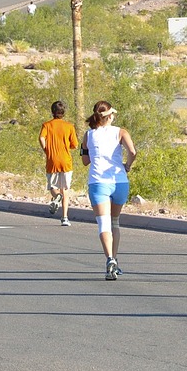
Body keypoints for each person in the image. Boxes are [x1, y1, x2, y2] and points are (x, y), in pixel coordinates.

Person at [82, 101, 136, 281]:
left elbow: (85, 161)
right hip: (119, 181)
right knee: (115, 222)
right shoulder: (121, 132)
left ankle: (110, 259)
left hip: (98, 182)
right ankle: (115, 260)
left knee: (103, 223)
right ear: (110, 116)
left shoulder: (88, 135)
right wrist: (127, 165)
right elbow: (132, 152)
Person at [39, 100, 78, 226]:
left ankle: (56, 197)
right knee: (65, 189)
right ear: (63, 112)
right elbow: (75, 145)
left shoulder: (47, 125)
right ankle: (65, 217)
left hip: (52, 160)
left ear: (52, 112)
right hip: (66, 161)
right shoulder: (69, 126)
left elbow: (41, 137)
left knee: (53, 187)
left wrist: (46, 149)